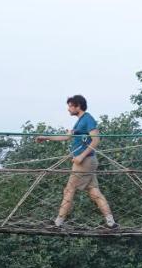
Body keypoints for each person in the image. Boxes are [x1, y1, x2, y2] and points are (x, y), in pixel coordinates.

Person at [37, 94, 117, 229]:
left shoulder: (88, 119)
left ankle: (58, 222)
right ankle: (111, 222)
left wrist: (81, 156)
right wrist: (46, 137)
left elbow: (96, 139)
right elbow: (66, 137)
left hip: (84, 162)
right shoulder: (80, 121)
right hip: (87, 161)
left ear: (78, 106)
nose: (68, 109)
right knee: (94, 192)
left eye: (70, 106)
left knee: (69, 189)